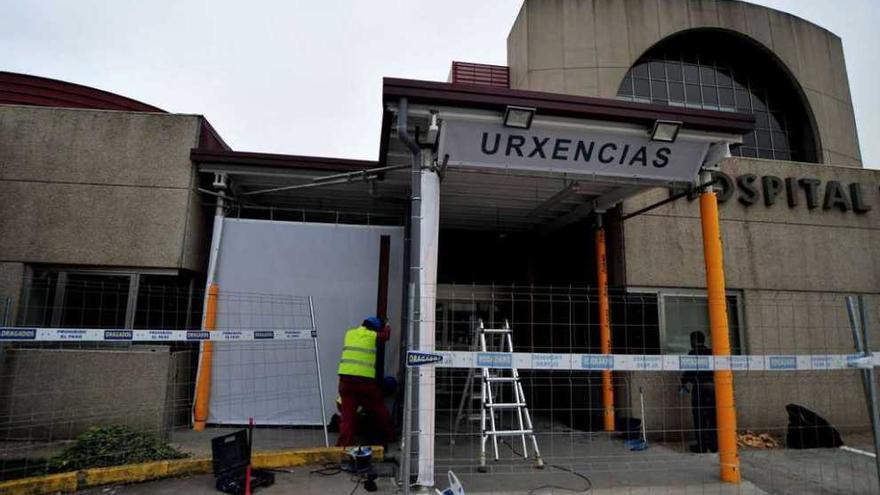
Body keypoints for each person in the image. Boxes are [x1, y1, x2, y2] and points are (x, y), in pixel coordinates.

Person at [336, 316, 394, 447]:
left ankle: (344, 445)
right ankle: (388, 434)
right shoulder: (373, 336)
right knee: (378, 408)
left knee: (347, 417)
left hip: (345, 381)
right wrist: (387, 326)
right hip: (364, 383)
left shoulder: (349, 333)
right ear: (375, 328)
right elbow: (386, 336)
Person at [680, 331, 718, 453]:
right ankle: (714, 445)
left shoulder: (692, 353)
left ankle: (701, 446)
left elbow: (689, 373)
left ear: (693, 341)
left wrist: (684, 382)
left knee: (699, 416)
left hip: (700, 386)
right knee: (712, 416)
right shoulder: (711, 352)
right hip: (713, 387)